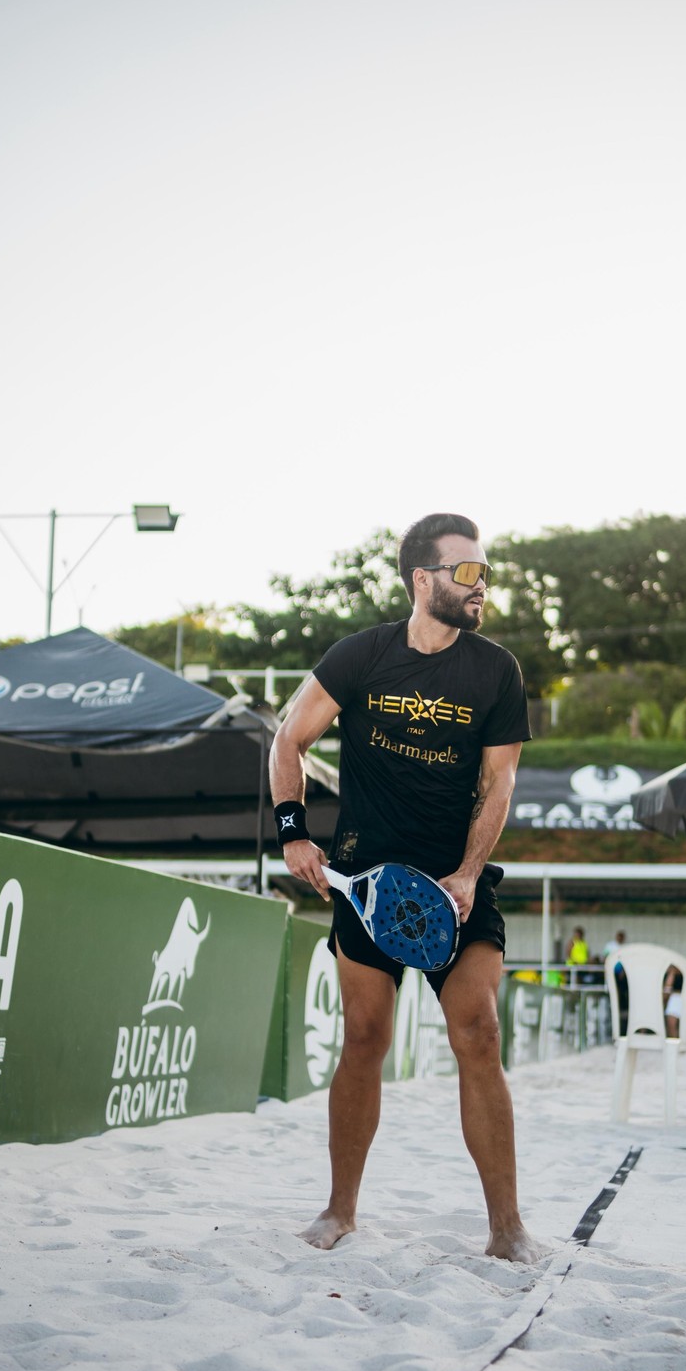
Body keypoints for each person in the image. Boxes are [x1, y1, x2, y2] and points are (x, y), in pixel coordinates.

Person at [269, 512, 546, 1264]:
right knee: (364, 1039)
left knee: (479, 1033)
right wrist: (294, 830)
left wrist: (463, 872)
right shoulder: (361, 656)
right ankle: (339, 1211)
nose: (480, 582)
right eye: (465, 571)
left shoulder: (496, 671)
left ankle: (507, 1228)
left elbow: (500, 782)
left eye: (485, 572)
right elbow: (289, 737)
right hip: (367, 878)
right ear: (423, 580)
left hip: (454, 885)